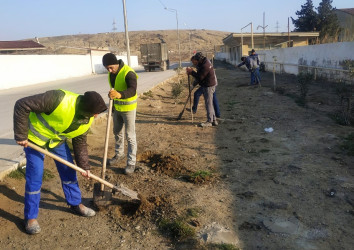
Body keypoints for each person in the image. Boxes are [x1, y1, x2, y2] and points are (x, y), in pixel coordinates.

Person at [13, 89, 107, 235]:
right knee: (36, 176)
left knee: (68, 170)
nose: (96, 116)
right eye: (94, 113)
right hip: (35, 139)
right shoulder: (58, 99)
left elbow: (80, 141)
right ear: (86, 109)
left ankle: (75, 204)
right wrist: (20, 134)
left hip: (56, 141)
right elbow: (22, 104)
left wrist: (84, 166)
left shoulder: (86, 120)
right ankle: (31, 218)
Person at [102, 53, 138, 174]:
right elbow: (114, 88)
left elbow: (132, 90)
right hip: (117, 109)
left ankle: (131, 163)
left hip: (128, 109)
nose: (110, 70)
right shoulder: (111, 74)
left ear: (116, 63)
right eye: (107, 68)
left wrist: (119, 94)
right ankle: (119, 155)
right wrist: (112, 96)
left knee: (130, 136)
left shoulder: (128, 72)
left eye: (111, 67)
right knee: (117, 132)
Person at [186, 52, 217, 127]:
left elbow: (200, 77)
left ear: (199, 59)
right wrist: (193, 84)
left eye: (196, 61)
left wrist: (191, 72)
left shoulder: (205, 65)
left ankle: (209, 121)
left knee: (208, 104)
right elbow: (199, 76)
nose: (195, 63)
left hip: (209, 86)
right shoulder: (204, 62)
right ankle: (214, 120)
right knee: (210, 104)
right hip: (208, 84)